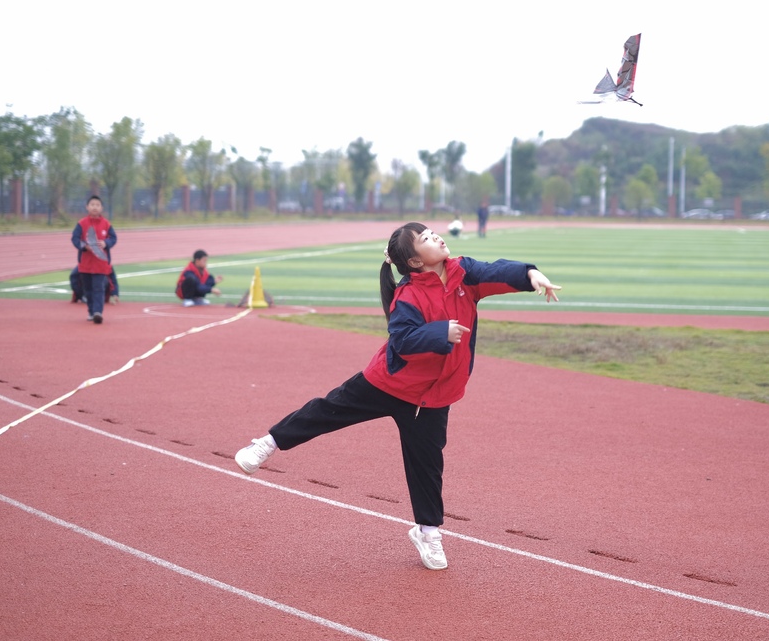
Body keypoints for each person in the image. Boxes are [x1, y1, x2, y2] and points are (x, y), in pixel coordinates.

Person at [233, 222, 561, 570]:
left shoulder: (464, 272)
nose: (436, 237)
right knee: (327, 411)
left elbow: (495, 271)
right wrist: (441, 332)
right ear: (415, 262)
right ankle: (267, 443)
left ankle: (428, 532)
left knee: (427, 466)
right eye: (426, 239)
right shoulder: (407, 295)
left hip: (434, 396)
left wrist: (530, 274)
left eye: (432, 232)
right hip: (389, 383)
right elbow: (403, 341)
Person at [70, 195, 117, 324]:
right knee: (88, 289)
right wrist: (84, 246)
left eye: (97, 205)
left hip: (101, 264)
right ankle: (91, 311)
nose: (95, 207)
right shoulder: (81, 224)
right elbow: (75, 239)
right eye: (92, 205)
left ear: (101, 208)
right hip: (85, 264)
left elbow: (113, 238)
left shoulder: (106, 224)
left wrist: (105, 243)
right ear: (87, 207)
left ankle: (98, 312)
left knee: (98, 288)